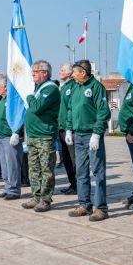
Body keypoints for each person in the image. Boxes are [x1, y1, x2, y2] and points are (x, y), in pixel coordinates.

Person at [64, 60, 112, 221]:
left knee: (98, 172)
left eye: (75, 72)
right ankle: (84, 204)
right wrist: (69, 129)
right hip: (78, 135)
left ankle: (101, 208)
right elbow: (70, 110)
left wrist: (97, 133)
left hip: (91, 136)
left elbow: (103, 112)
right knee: (81, 172)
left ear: (83, 72)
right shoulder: (75, 87)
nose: (73, 75)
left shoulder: (96, 88)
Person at [22, 60, 61, 213]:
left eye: (35, 72)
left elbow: (37, 107)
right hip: (33, 135)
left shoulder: (50, 89)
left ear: (45, 73)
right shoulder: (38, 88)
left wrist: (30, 96)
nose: (32, 74)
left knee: (46, 169)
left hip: (45, 135)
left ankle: (45, 199)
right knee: (34, 168)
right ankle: (36, 196)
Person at [0, 76, 24, 199]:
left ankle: (14, 190)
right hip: (1, 136)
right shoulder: (3, 99)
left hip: (10, 136)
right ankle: (7, 187)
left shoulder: (13, 100)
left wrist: (16, 132)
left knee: (12, 165)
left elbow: (18, 116)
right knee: (5, 165)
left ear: (6, 87)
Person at [57, 63, 77, 195]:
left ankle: (78, 185)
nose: (60, 72)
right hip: (61, 128)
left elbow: (72, 108)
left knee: (73, 158)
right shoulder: (63, 87)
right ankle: (72, 184)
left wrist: (70, 128)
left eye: (62, 70)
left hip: (70, 129)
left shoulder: (74, 86)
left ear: (70, 73)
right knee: (66, 159)